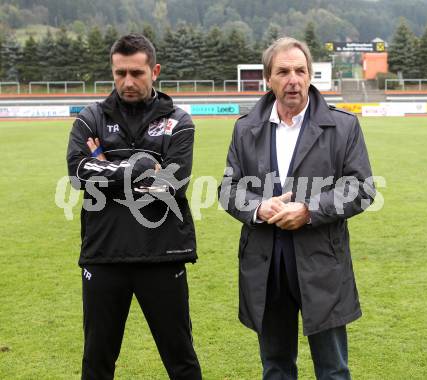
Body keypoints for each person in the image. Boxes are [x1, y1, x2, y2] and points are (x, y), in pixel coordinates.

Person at [219, 37, 376, 379]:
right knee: (275, 367)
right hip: (266, 265)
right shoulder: (246, 128)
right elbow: (228, 189)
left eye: (300, 71)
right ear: (268, 79)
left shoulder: (343, 126)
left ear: (309, 76)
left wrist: (309, 209)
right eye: (283, 71)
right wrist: (259, 207)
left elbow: (361, 187)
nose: (293, 79)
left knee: (333, 369)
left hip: (322, 263)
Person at [66, 33, 201, 380]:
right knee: (96, 362)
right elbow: (79, 174)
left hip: (162, 253)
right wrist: (140, 167)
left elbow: (172, 184)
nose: (128, 81)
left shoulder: (179, 121)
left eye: (137, 73)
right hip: (104, 254)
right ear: (112, 71)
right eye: (120, 72)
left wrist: (104, 163)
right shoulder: (90, 118)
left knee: (181, 361)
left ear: (154, 71)